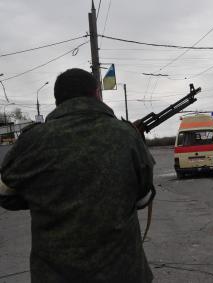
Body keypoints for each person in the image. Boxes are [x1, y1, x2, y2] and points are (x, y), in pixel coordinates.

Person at [0, 68, 154, 283]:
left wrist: (43, 198)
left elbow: (5, 194)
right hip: (123, 273)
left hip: (55, 275)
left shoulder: (32, 141)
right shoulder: (127, 135)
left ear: (57, 100)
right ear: (96, 94)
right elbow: (144, 196)